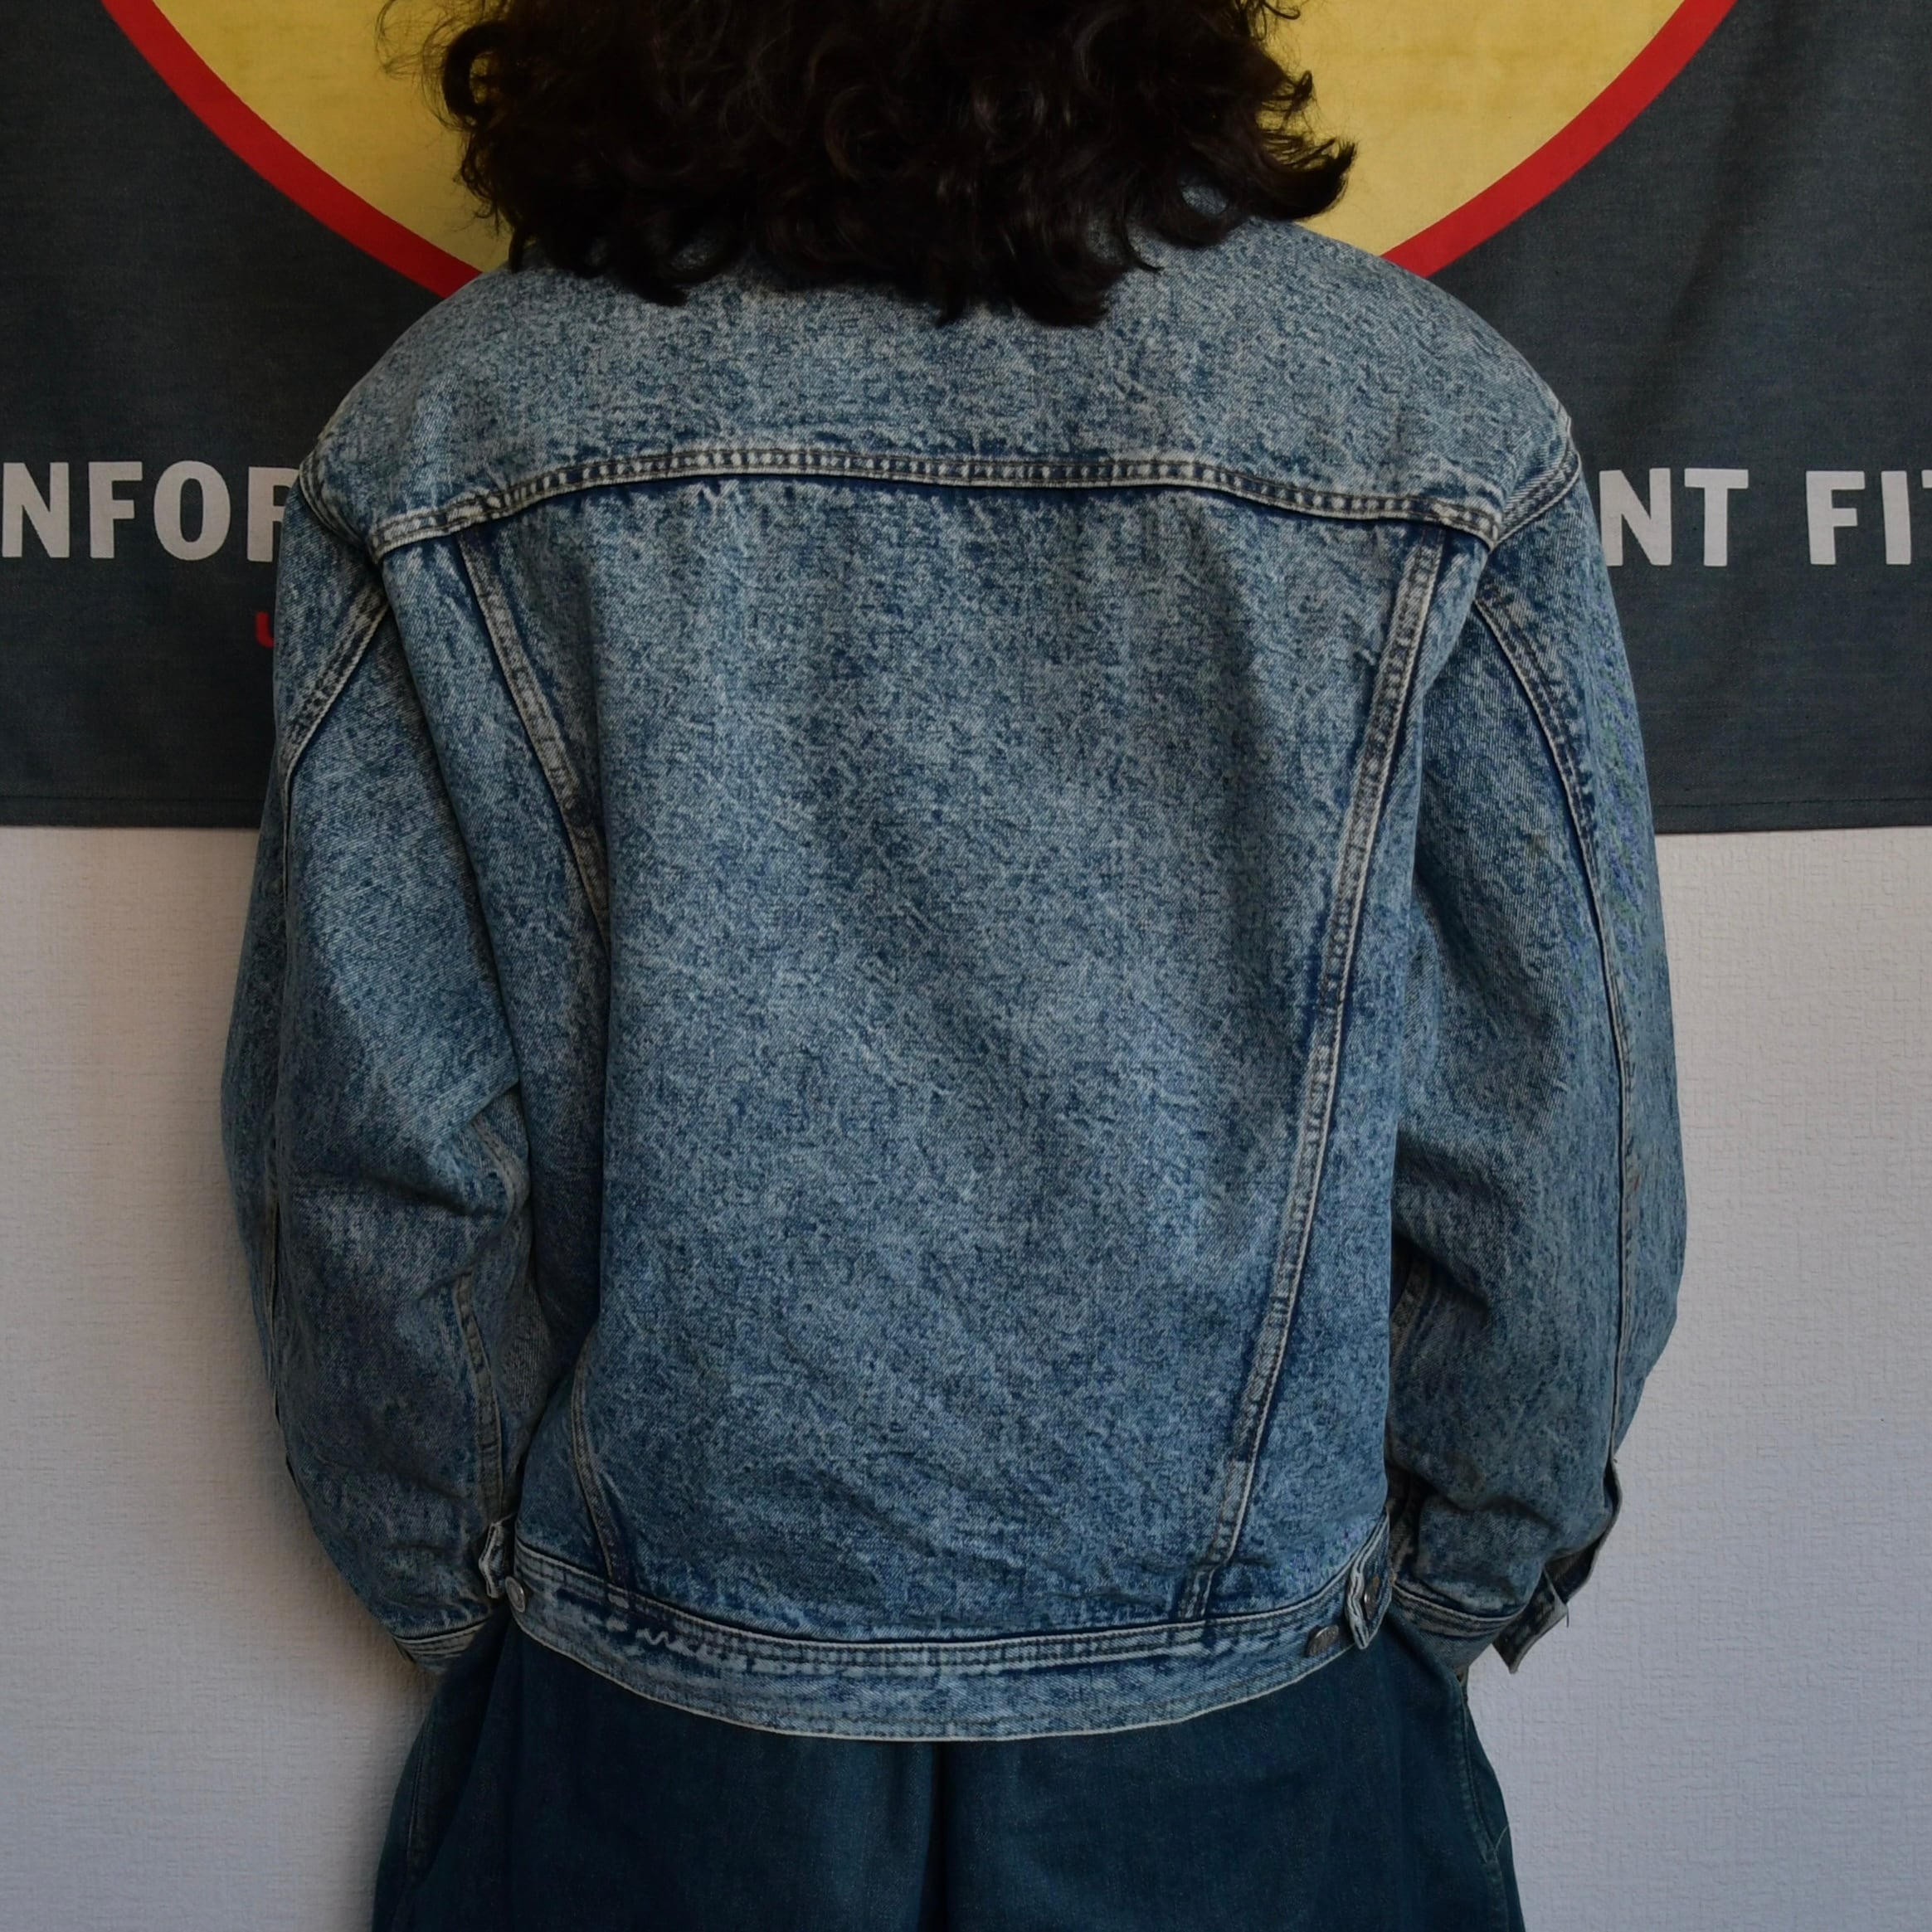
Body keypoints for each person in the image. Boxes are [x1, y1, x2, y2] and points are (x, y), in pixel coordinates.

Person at [221, 0, 1686, 1924]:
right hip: (1250, 1742)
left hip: (659, 1741)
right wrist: (1446, 1585)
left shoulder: (445, 432)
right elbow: (1553, 1165)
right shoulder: (1426, 422)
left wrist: (490, 1595)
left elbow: (373, 1166)